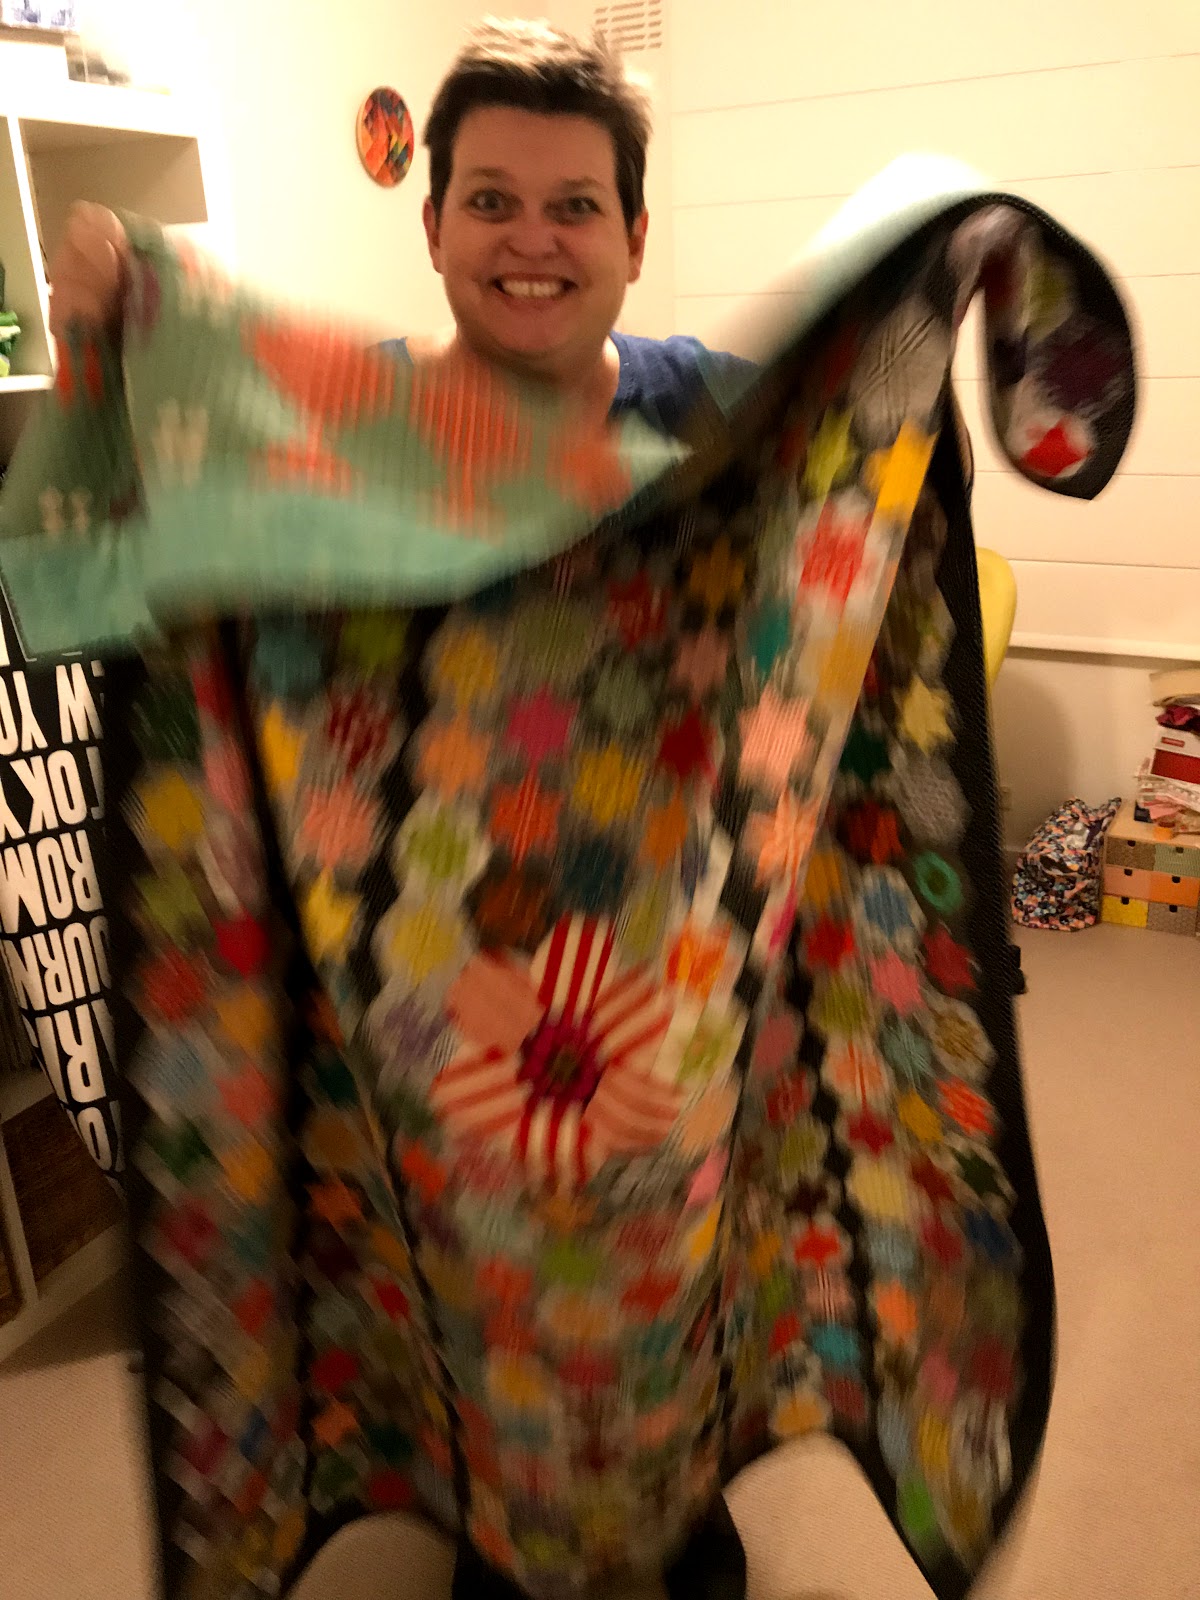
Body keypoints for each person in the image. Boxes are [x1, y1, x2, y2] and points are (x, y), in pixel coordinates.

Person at [47, 17, 750, 1599]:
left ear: (638, 235)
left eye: (574, 205)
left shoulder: (711, 414)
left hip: (666, 967)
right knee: (471, 1283)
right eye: (490, 200)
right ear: (431, 224)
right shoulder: (341, 422)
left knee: (663, 1265)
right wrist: (110, 315)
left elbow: (872, 446)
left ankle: (673, 1510)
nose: (531, 239)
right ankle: (499, 1526)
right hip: (430, 975)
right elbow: (132, 521)